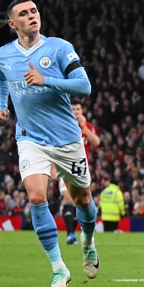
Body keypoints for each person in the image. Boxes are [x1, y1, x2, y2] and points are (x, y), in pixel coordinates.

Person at [0, 0, 99, 287]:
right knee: (37, 196)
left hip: (67, 139)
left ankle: (88, 243)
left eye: (34, 11)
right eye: (24, 14)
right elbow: (0, 78)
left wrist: (46, 80)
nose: (32, 16)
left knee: (82, 200)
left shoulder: (59, 48)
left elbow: (84, 87)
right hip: (30, 137)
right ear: (13, 24)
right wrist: (3, 107)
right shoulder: (2, 55)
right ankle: (58, 268)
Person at [56, 99, 101, 243]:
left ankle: (79, 232)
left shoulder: (86, 126)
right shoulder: (63, 126)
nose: (75, 112)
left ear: (82, 112)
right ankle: (70, 234)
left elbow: (96, 143)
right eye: (73, 109)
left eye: (77, 109)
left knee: (81, 200)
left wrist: (84, 127)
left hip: (82, 168)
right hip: (64, 166)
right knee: (68, 198)